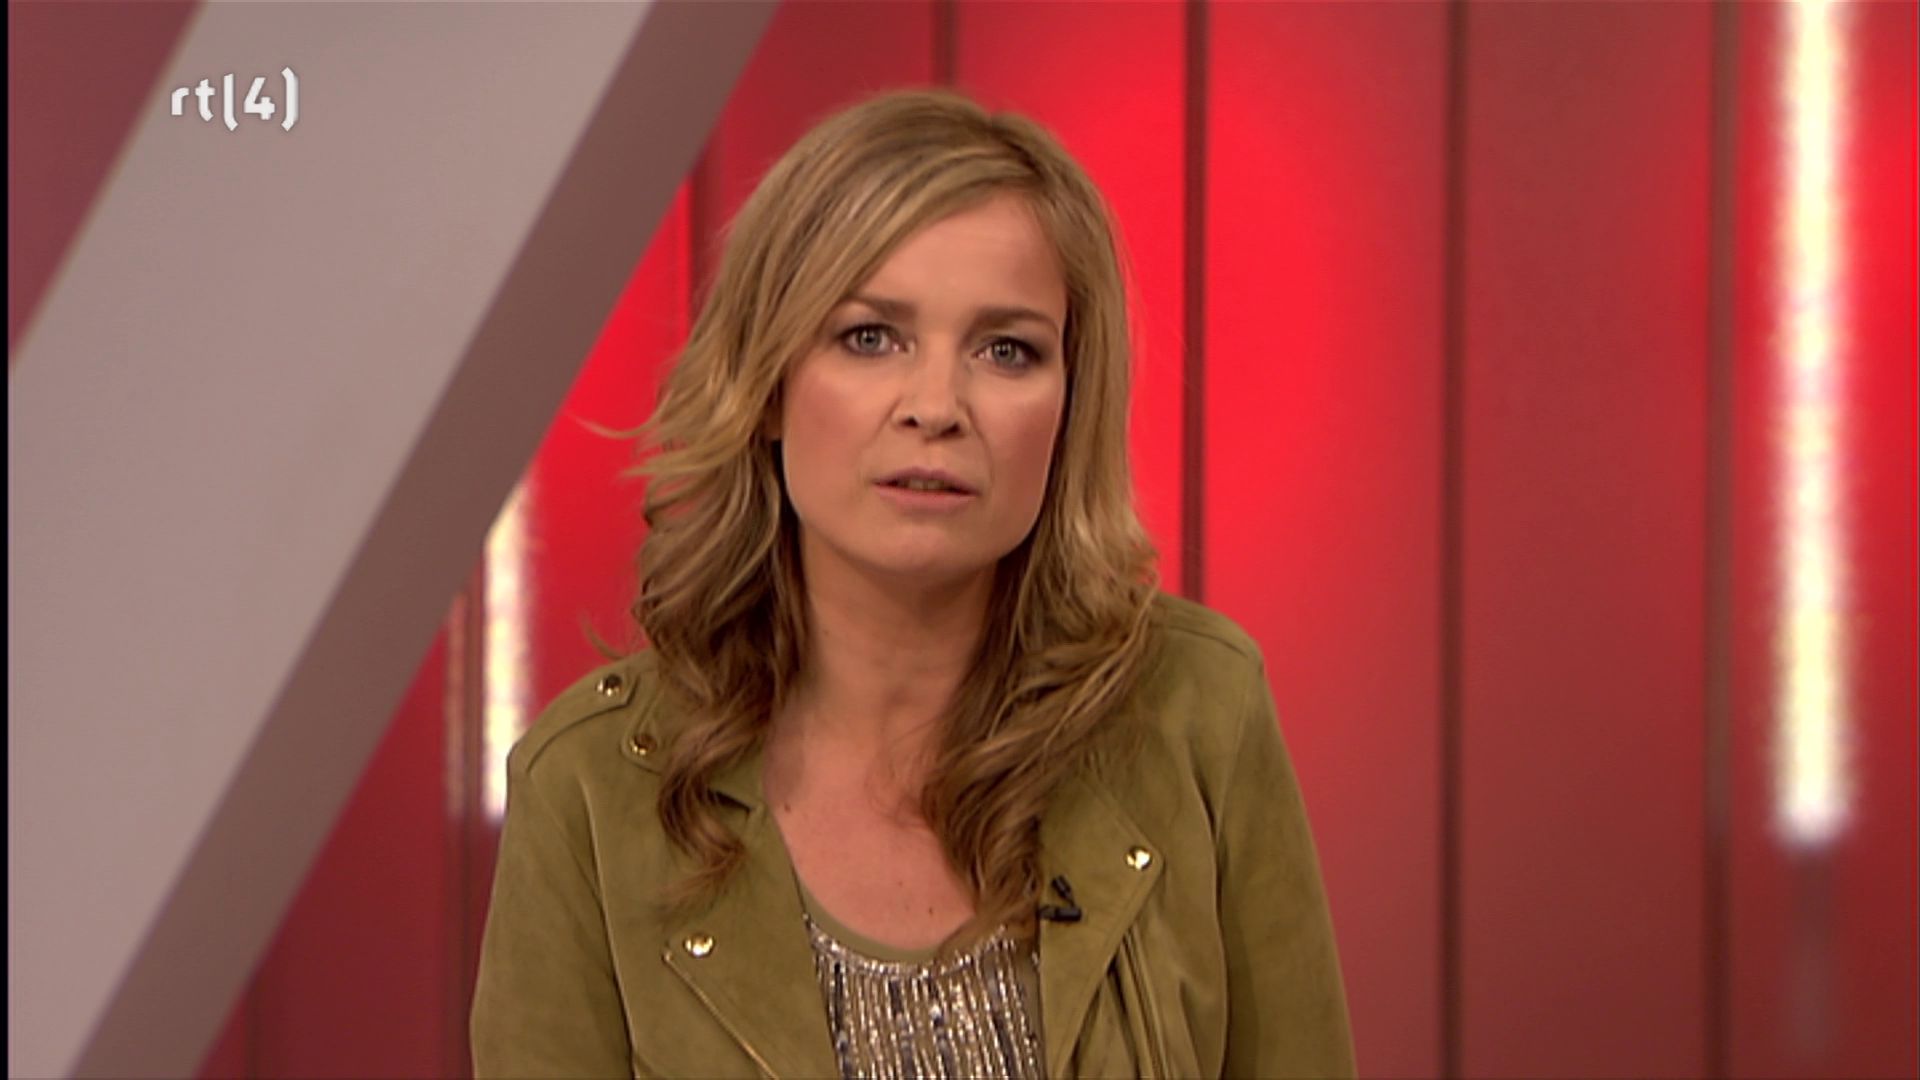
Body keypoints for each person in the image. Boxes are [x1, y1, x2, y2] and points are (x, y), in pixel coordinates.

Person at [470, 87, 1354, 1079]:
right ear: (768, 386)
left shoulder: (1200, 709)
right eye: (870, 337)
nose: (936, 406)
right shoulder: (589, 790)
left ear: (1069, 407)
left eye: (1006, 350)